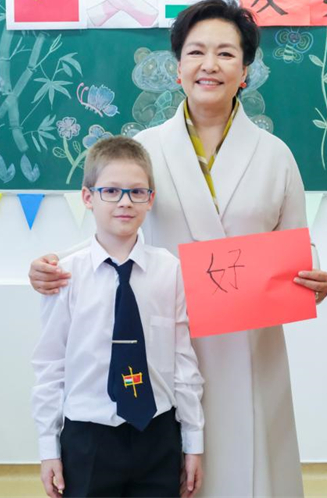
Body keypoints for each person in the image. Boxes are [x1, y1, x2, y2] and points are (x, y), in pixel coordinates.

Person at [29, 0, 327, 497]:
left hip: (248, 344)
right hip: (160, 346)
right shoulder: (144, 148)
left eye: (226, 54)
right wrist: (50, 268)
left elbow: (298, 247)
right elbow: (113, 230)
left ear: (247, 71)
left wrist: (313, 278)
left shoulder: (276, 156)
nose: (209, 65)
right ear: (178, 67)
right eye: (195, 52)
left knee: (249, 473)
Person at [31, 136, 204, 498]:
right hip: (87, 437)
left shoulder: (170, 271)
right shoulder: (64, 275)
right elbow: (50, 364)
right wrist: (48, 448)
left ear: (150, 200)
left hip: (157, 434)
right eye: (111, 191)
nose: (125, 202)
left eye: (137, 192)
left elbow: (184, 361)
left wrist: (193, 441)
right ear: (87, 197)